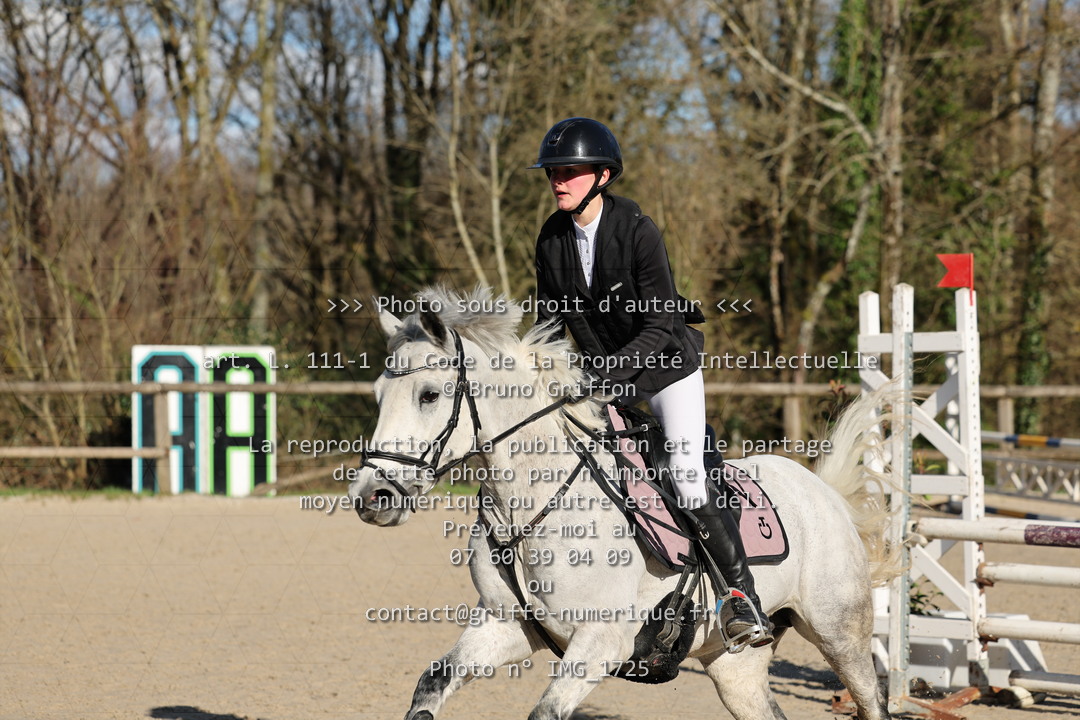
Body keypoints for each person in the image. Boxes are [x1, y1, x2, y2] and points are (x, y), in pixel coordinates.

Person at [529, 117, 773, 647]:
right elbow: (548, 325)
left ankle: (741, 598)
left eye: (569, 171)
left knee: (684, 473)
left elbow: (660, 325)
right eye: (553, 172)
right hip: (605, 379)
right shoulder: (551, 239)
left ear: (603, 176)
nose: (557, 181)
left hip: (666, 370)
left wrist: (605, 374)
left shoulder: (638, 231)